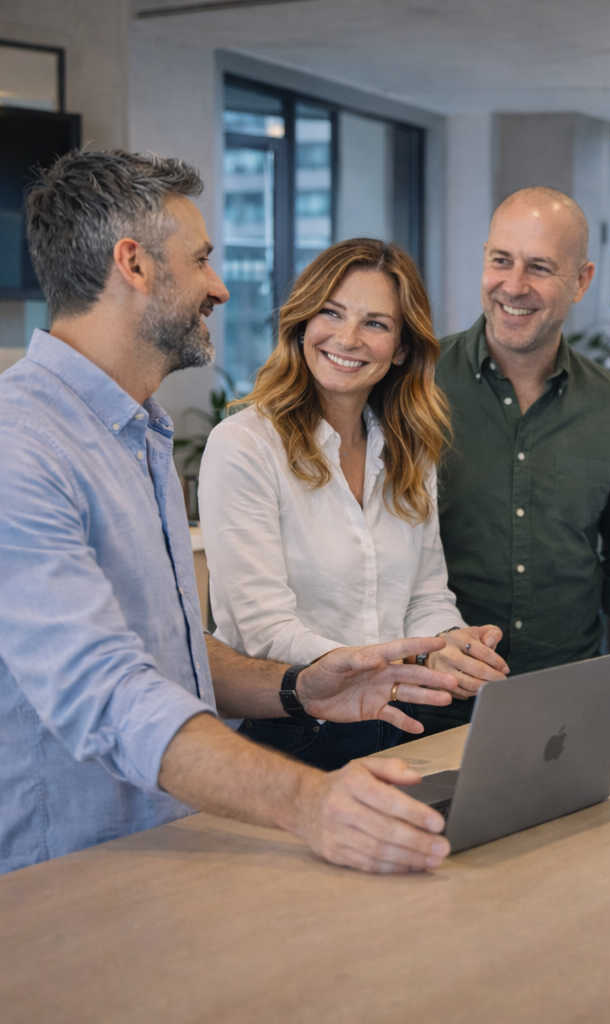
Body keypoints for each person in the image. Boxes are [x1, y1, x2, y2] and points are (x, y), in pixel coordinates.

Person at [0, 149, 462, 876]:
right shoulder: (19, 447)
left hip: (167, 844)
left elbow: (174, 653)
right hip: (64, 877)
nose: (219, 286)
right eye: (202, 259)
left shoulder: (138, 435)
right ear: (135, 265)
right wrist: (306, 798)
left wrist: (300, 686)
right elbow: (106, 689)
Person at [199, 239, 508, 768]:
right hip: (289, 733)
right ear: (302, 323)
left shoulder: (408, 450)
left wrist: (452, 641)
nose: (347, 338)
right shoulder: (243, 445)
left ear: (403, 348)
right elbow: (265, 631)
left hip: (397, 723)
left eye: (375, 323)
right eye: (331, 313)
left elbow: (425, 597)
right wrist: (393, 662)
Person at [430, 187, 610, 731]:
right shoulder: (413, 382)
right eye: (500, 261)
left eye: (540, 268)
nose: (513, 285)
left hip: (569, 702)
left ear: (581, 281)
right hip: (431, 699)